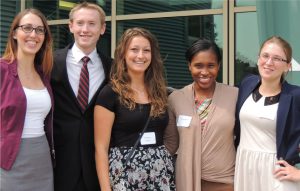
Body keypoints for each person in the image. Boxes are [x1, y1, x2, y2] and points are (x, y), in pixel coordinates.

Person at [94, 27, 176, 190]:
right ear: (123, 54)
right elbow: (100, 148)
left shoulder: (160, 92)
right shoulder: (110, 94)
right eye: (134, 49)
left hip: (159, 175)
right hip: (126, 176)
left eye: (146, 50)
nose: (140, 56)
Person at [50, 2, 112, 191]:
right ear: (71, 26)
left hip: (97, 165)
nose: (85, 29)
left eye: (92, 24)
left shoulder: (114, 68)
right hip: (58, 164)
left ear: (102, 29)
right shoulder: (50, 63)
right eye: (80, 23)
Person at [164, 39, 238, 191]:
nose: (205, 72)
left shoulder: (235, 95)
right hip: (186, 181)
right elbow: (171, 144)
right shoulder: (176, 98)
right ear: (189, 66)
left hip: (225, 183)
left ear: (219, 66)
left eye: (211, 65)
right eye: (198, 65)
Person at [234, 36, 300, 191]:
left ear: (288, 66)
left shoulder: (296, 95)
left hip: (278, 173)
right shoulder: (247, 84)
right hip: (245, 167)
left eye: (277, 58)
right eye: (265, 56)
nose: (269, 62)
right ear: (258, 59)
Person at [0, 8, 54, 190]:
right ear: (14, 33)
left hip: (42, 159)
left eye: (40, 30)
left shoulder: (43, 74)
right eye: (27, 28)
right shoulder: (1, 70)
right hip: (8, 159)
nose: (34, 34)